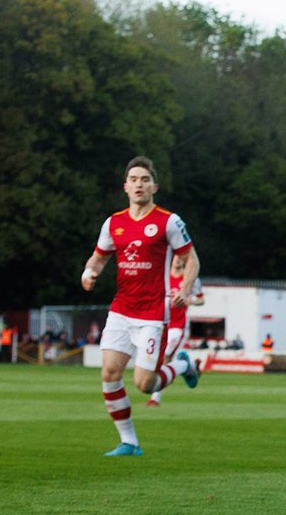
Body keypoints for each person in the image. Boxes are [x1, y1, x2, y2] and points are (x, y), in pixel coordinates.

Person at [82, 156, 201, 456]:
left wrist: (185, 289)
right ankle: (129, 442)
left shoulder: (168, 221)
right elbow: (99, 257)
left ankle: (184, 364)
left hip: (152, 315)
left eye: (144, 180)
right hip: (122, 310)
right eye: (133, 179)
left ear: (154, 187)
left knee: (145, 385)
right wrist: (89, 272)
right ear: (125, 186)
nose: (139, 184)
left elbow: (192, 260)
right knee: (109, 374)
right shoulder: (114, 223)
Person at [147, 253, 204, 407]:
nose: (178, 260)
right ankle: (190, 367)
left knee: (165, 357)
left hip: (178, 327)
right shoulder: (163, 277)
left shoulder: (189, 280)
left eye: (181, 258)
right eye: (176, 257)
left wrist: (188, 300)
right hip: (161, 324)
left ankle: (155, 398)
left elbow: (201, 299)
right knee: (166, 358)